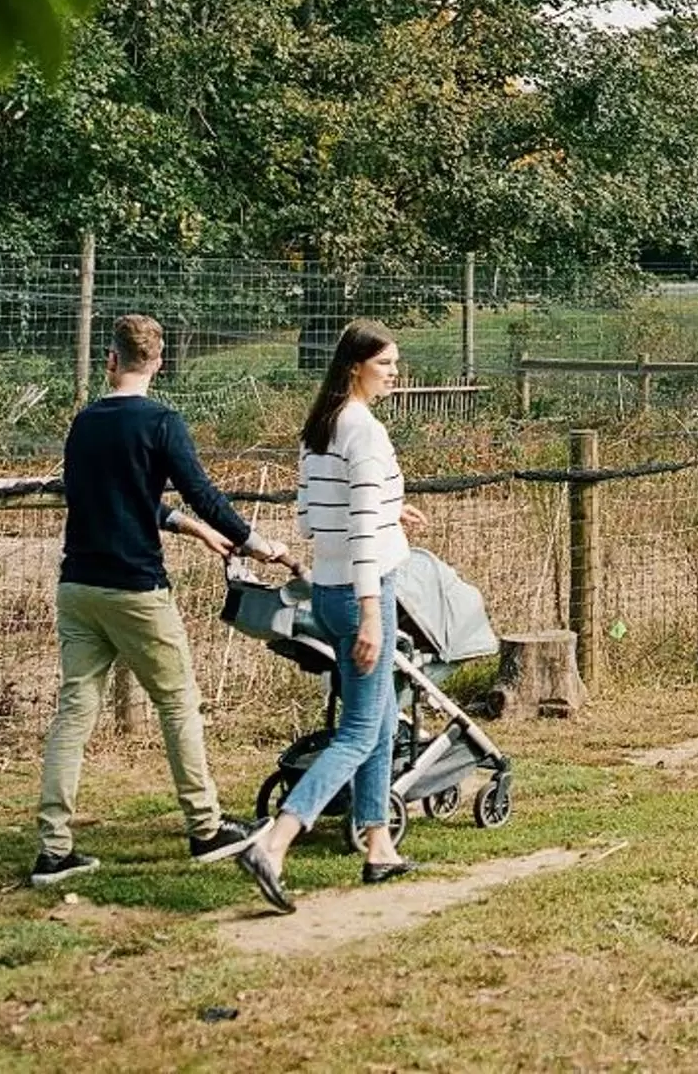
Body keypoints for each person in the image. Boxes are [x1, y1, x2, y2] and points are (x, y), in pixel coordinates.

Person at [31, 312, 289, 889]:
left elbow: (107, 498)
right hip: (135, 587)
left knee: (74, 712)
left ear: (110, 360)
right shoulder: (161, 422)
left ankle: (53, 849)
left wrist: (188, 529)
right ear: (160, 364)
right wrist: (258, 543)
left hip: (77, 588)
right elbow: (202, 491)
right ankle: (204, 828)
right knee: (177, 702)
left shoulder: (84, 424)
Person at [236, 318, 430, 911]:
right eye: (386, 364)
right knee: (358, 731)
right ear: (356, 367)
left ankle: (378, 847)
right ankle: (275, 842)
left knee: (376, 724)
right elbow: (363, 532)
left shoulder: (320, 429)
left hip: (328, 587)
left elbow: (313, 518)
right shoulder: (365, 432)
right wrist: (374, 614)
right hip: (363, 593)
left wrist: (390, 508)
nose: (395, 374)